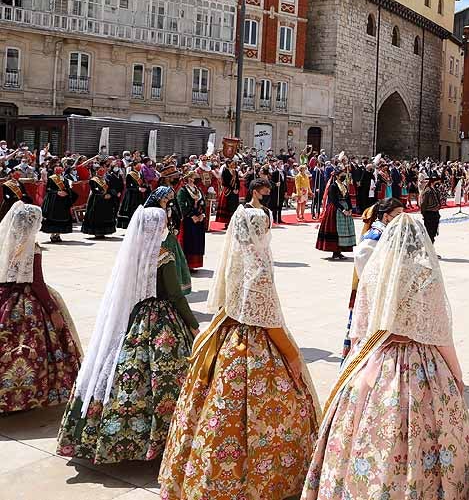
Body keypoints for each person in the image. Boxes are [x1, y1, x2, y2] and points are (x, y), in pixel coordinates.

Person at [302, 214, 469, 500]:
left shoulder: (376, 271)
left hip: (376, 359)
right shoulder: (425, 273)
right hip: (422, 363)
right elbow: (439, 333)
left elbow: (359, 330)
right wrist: (456, 376)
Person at [159, 186, 319, 500]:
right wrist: (293, 356)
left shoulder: (236, 259)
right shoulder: (258, 268)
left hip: (227, 335)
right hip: (256, 344)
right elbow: (268, 321)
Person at [57, 203, 198, 463]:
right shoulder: (163, 255)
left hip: (132, 317)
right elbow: (176, 295)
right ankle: (163, 437)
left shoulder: (132, 254)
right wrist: (192, 323)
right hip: (161, 320)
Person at [0, 202, 82, 414]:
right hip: (27, 301)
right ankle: (28, 396)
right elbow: (36, 283)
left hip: (4, 296)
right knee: (34, 349)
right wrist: (52, 310)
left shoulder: (5, 241)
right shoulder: (31, 246)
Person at [341, 197, 405, 360]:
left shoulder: (390, 233)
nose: (401, 218)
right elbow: (365, 268)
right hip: (374, 293)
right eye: (397, 214)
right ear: (386, 216)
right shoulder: (375, 236)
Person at [316, 171, 355, 260]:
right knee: (335, 230)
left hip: (345, 209)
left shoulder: (344, 186)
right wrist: (343, 209)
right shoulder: (333, 186)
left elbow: (348, 198)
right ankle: (335, 251)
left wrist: (350, 208)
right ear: (337, 176)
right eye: (342, 176)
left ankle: (339, 251)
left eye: (344, 176)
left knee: (344, 230)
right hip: (335, 210)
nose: (344, 177)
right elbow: (333, 200)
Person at [175, 172, 207, 271]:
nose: (197, 179)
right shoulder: (183, 191)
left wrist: (202, 214)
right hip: (189, 220)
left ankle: (195, 264)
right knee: (189, 241)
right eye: (194, 177)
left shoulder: (198, 190)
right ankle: (187, 264)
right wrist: (191, 215)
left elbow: (203, 203)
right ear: (189, 179)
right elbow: (181, 204)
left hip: (199, 219)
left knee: (197, 242)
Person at [41, 164, 76, 242]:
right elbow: (48, 189)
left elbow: (68, 189)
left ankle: (58, 235)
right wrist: (57, 192)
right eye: (57, 168)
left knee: (62, 218)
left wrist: (66, 192)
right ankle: (52, 235)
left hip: (63, 202)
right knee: (53, 218)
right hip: (54, 201)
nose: (59, 169)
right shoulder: (51, 179)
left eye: (60, 168)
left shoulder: (65, 180)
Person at [81, 166, 118, 238]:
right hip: (96, 200)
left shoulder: (106, 180)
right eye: (100, 170)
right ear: (96, 171)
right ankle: (97, 232)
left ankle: (104, 231)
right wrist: (103, 195)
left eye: (103, 170)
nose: (102, 172)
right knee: (96, 216)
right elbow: (94, 190)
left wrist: (110, 194)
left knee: (105, 215)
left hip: (106, 201)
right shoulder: (93, 180)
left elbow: (111, 188)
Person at [118, 161, 146, 228]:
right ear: (134, 166)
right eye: (138, 166)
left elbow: (143, 183)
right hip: (131, 195)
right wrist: (138, 188)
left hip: (139, 195)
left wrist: (145, 187)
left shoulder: (140, 174)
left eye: (140, 166)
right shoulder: (130, 174)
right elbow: (128, 186)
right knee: (131, 210)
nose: (140, 167)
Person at [215, 158, 240, 227]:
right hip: (228, 190)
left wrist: (237, 189)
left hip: (235, 191)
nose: (232, 165)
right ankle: (227, 222)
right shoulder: (225, 171)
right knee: (228, 206)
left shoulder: (235, 172)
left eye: (233, 163)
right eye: (230, 163)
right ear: (227, 164)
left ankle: (234, 221)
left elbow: (237, 181)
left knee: (234, 206)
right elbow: (225, 182)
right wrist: (232, 189)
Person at [419, 173, 443, 242]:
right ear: (433, 181)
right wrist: (423, 213)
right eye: (437, 181)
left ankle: (431, 248)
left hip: (435, 214)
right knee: (429, 233)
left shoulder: (434, 190)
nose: (438, 182)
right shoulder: (427, 191)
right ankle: (428, 249)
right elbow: (423, 204)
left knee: (433, 233)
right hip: (429, 214)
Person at [268, 159, 287, 224]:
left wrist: (285, 191)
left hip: (281, 191)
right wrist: (276, 184)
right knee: (275, 205)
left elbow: (285, 183)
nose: (281, 165)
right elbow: (271, 182)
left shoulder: (284, 172)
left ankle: (279, 218)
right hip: (276, 191)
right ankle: (275, 218)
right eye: (280, 164)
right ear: (277, 165)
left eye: (282, 164)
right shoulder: (275, 173)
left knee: (280, 205)